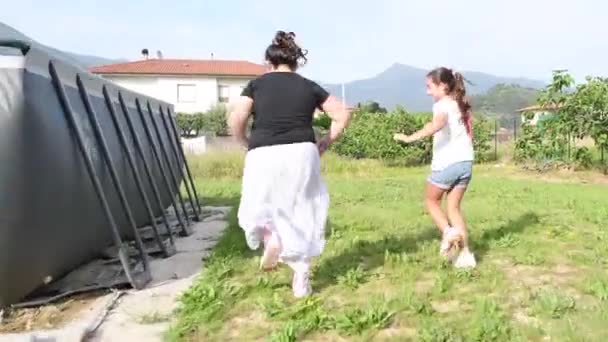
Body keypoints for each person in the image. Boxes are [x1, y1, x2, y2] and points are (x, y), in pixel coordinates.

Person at [228, 31, 351, 297]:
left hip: (263, 150)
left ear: (268, 62)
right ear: (295, 62)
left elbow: (237, 117)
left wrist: (243, 140)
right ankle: (301, 278)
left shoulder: (256, 85)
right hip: (302, 150)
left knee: (260, 201)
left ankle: (271, 237)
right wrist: (326, 141)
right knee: (302, 209)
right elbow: (341, 113)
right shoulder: (308, 85)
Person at [394, 67, 476, 269]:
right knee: (453, 209)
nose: (427, 91)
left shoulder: (442, 106)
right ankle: (464, 256)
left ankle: (449, 235)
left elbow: (436, 125)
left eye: (429, 87)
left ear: (443, 86)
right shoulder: (459, 104)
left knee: (431, 201)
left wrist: (409, 138)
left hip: (448, 163)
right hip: (466, 163)